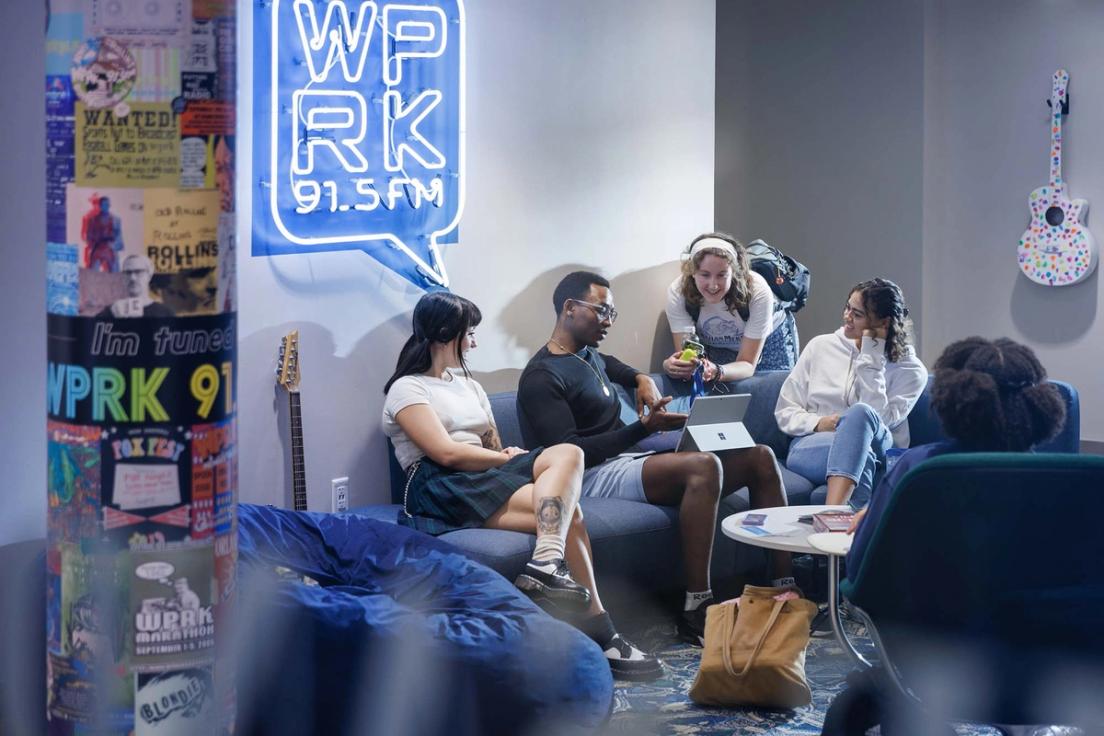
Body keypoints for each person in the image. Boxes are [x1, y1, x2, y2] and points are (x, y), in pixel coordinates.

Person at [382, 291, 661, 681]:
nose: (475, 341)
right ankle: (604, 631)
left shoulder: (469, 385)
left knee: (568, 454)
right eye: (470, 332)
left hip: (482, 475)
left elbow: (490, 444)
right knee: (572, 512)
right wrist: (506, 459)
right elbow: (444, 453)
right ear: (447, 333)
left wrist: (506, 452)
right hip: (439, 484)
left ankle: (546, 562)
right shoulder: (408, 389)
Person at [517, 271, 794, 646]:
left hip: (625, 460)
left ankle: (784, 587)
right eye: (601, 312)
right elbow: (569, 450)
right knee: (703, 465)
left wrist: (641, 380)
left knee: (760, 457)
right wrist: (645, 429)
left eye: (612, 313)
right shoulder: (541, 376)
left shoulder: (587, 355)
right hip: (589, 475)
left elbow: (621, 370)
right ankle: (696, 606)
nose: (608, 322)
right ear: (569, 308)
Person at [845, 337, 1066, 573]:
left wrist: (876, 519)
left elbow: (860, 566)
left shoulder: (917, 468)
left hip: (926, 608)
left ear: (947, 398)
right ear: (1038, 403)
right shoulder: (1056, 478)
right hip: (1030, 608)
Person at [775, 278, 927, 507]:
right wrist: (819, 423)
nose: (847, 317)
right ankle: (843, 526)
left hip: (879, 450)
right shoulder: (820, 347)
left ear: (883, 323)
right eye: (847, 308)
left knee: (861, 414)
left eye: (857, 314)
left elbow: (882, 421)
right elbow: (785, 410)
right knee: (859, 454)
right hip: (814, 446)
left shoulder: (910, 370)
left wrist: (871, 358)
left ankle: (831, 520)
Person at [663, 233, 798, 387]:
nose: (713, 285)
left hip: (769, 341)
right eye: (705, 275)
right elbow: (687, 358)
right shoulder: (678, 292)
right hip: (717, 345)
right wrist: (673, 367)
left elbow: (747, 364)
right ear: (692, 272)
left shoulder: (758, 291)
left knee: (773, 393)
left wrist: (718, 371)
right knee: (723, 390)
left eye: (722, 275)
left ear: (734, 272)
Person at [97, 254, 175, 318]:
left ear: (149, 276)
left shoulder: (166, 314)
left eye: (138, 272)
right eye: (128, 272)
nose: (132, 278)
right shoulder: (110, 312)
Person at [81, 195, 125, 273]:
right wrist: (93, 243)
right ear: (100, 206)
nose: (105, 207)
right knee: (92, 272)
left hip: (110, 248)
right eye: (103, 205)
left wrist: (113, 246)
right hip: (98, 248)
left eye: (107, 205)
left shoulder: (115, 220)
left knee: (115, 273)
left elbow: (119, 236)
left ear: (109, 205)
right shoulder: (92, 220)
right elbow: (89, 236)